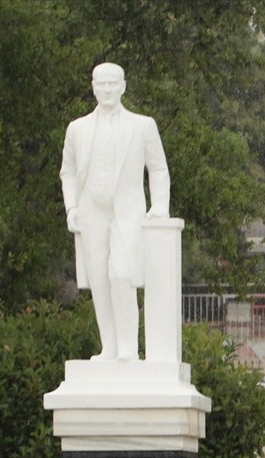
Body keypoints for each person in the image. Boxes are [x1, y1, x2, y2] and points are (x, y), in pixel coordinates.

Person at [61, 62, 170, 361]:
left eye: (113, 83)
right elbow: (67, 172)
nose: (107, 89)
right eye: (101, 84)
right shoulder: (77, 129)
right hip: (91, 211)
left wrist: (159, 207)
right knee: (99, 280)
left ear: (123, 86)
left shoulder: (142, 125)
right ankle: (109, 346)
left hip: (127, 212)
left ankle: (128, 349)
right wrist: (71, 206)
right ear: (93, 87)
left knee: (121, 275)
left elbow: (158, 169)